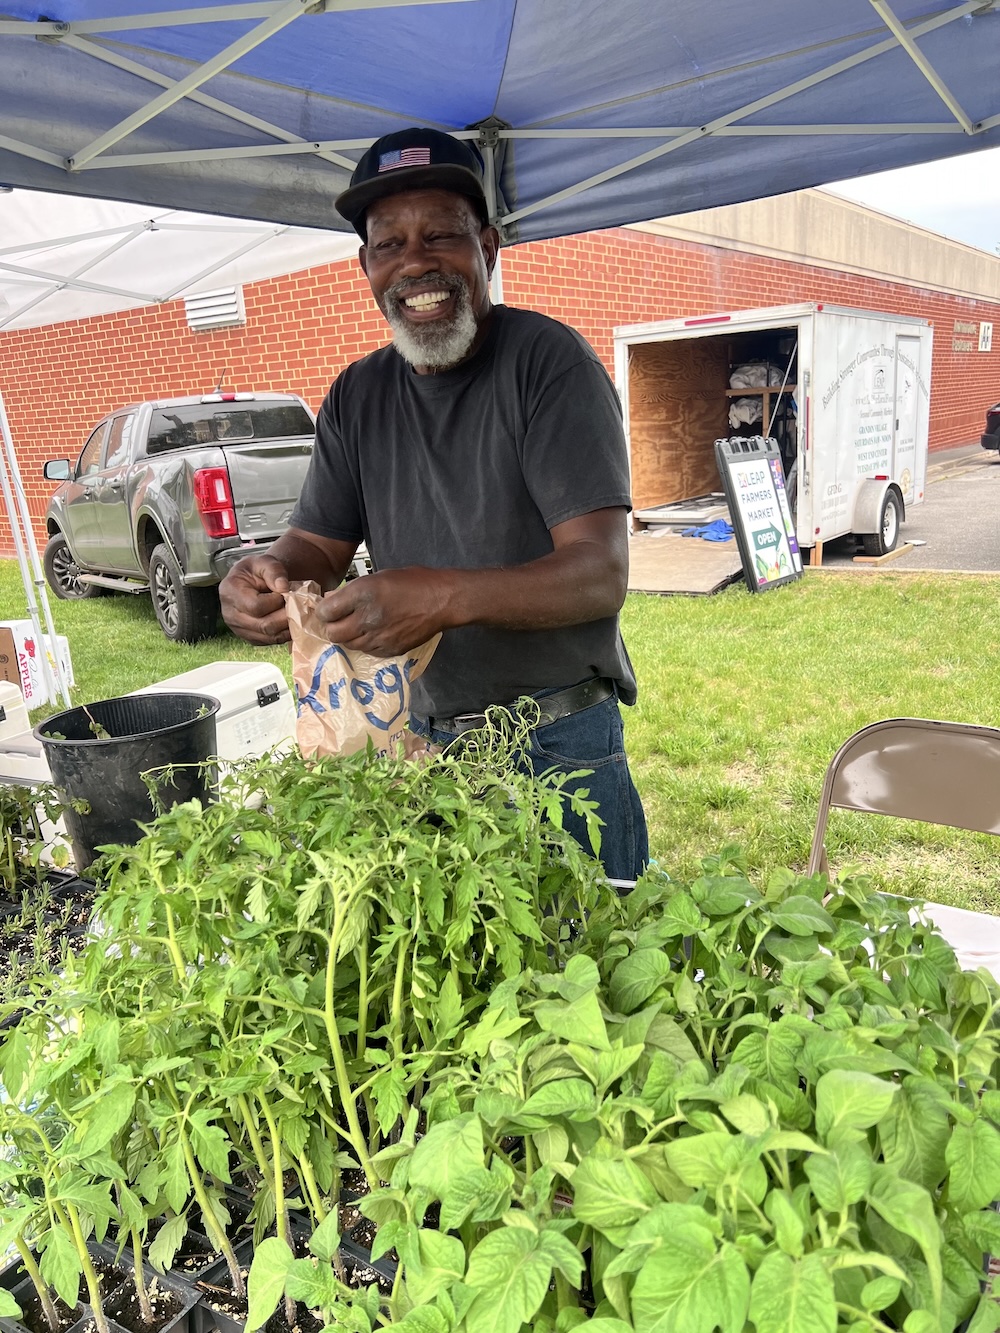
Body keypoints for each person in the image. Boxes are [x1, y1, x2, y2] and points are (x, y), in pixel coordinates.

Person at [219, 126, 649, 882]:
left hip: (557, 741)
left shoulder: (549, 365)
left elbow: (598, 573)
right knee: (463, 987)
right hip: (420, 743)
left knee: (594, 974)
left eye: (441, 236)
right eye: (388, 245)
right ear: (365, 266)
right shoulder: (358, 395)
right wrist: (267, 574)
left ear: (487, 246)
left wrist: (442, 596)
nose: (414, 263)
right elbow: (315, 548)